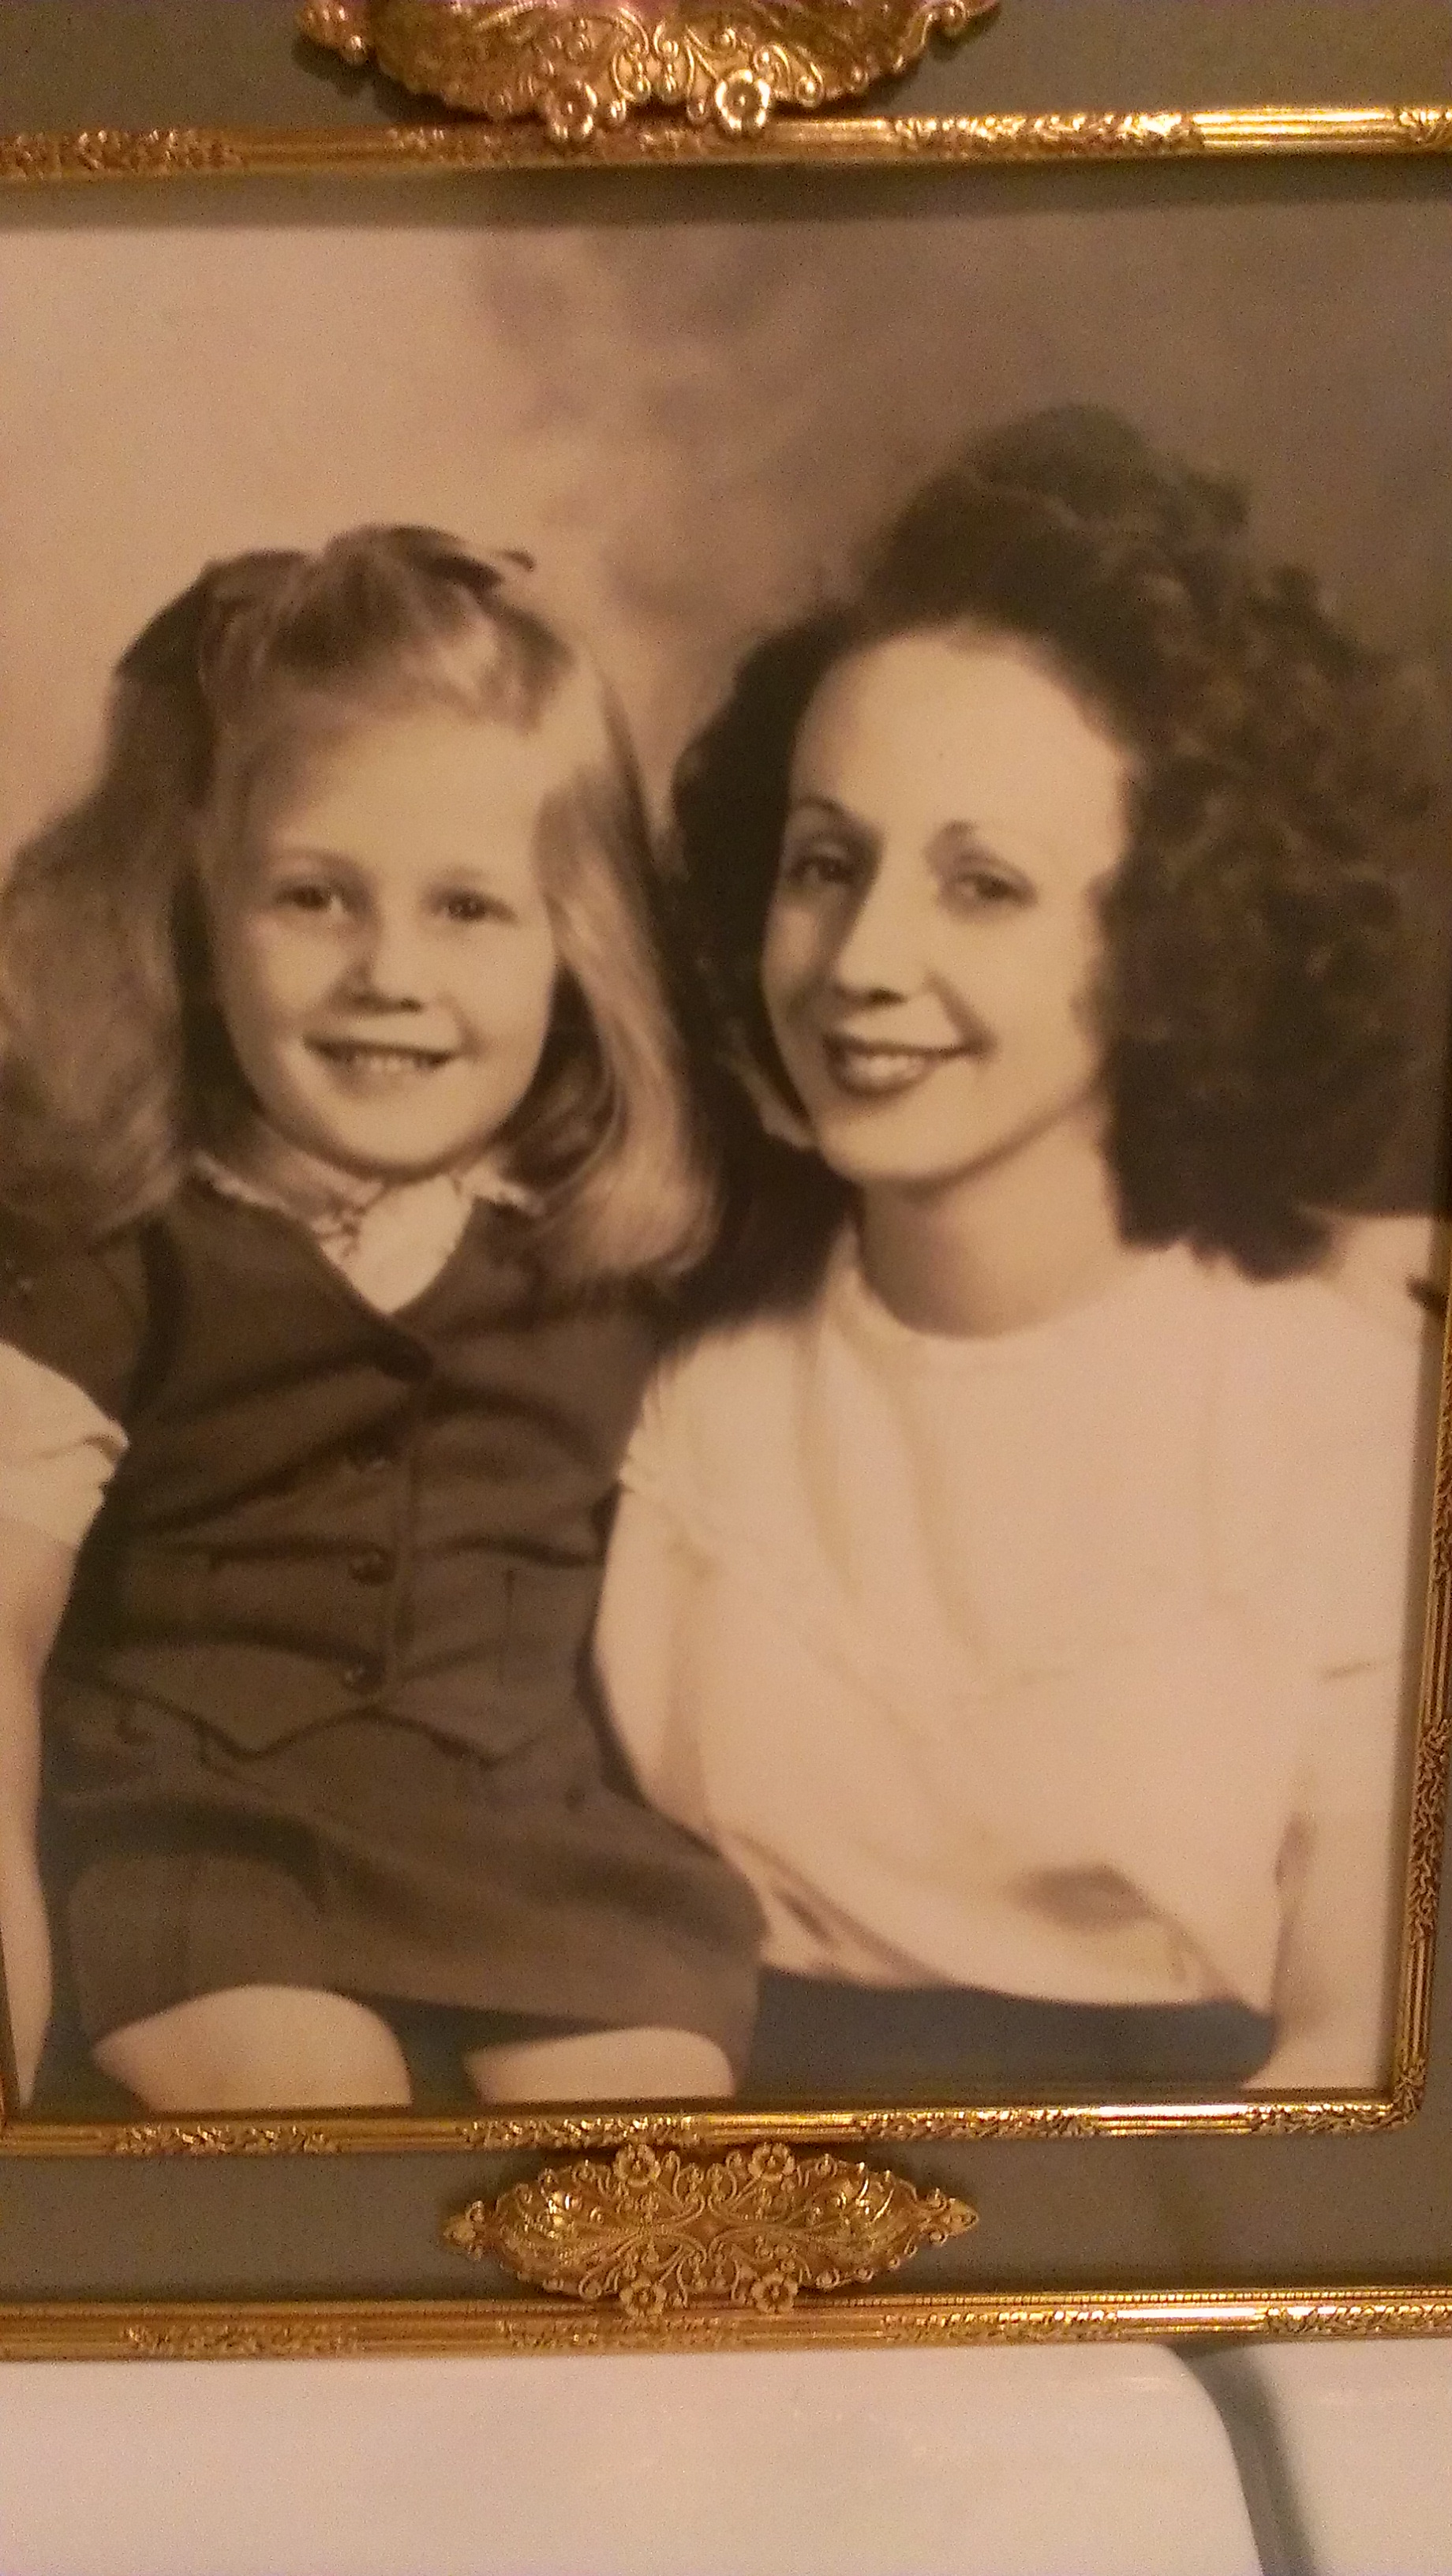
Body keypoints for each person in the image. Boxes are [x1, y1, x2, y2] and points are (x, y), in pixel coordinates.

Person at [595, 408, 1443, 2099]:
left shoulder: (1351, 1410)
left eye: (981, 886)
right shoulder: (663, 1349)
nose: (861, 961)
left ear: (1168, 937)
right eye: (826, 864)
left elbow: (1355, 2059)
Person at [0, 526, 758, 2114]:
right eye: (313, 898)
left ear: (574, 954)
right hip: (211, 1839)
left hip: (536, 1840)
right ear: (202, 927)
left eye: (468, 909)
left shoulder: (613, 1236)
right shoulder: (121, 1240)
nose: (387, 972)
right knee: (310, 2117)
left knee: (644, 2143)